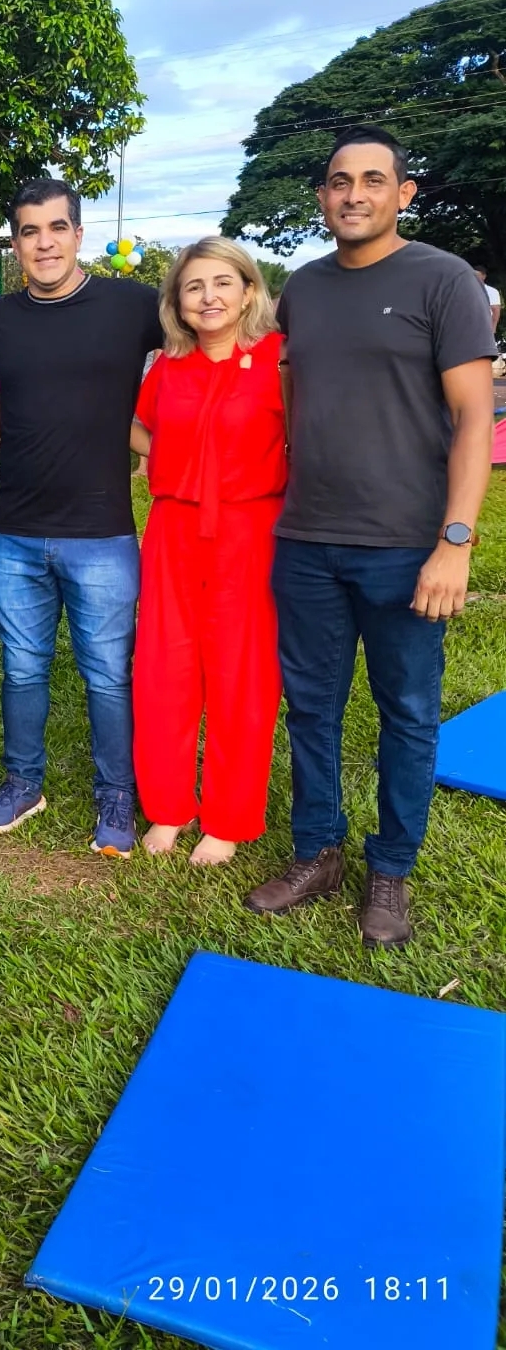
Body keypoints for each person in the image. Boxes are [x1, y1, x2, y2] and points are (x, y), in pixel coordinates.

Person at [244, 127, 495, 948]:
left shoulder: (441, 279)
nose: (353, 194)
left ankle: (389, 870)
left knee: (407, 712)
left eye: (372, 179)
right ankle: (316, 853)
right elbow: (286, 394)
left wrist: (453, 541)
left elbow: (473, 418)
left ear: (402, 193)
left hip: (404, 545)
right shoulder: (303, 289)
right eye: (339, 181)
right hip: (306, 539)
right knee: (310, 707)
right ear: (322, 196)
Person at [0, 179, 162, 852]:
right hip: (19, 529)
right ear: (16, 243)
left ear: (79, 235)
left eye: (57, 228)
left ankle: (117, 795)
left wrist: (152, 437)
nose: (44, 243)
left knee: (108, 674)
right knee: (22, 668)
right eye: (30, 231)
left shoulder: (133, 304)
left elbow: (209, 336)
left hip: (103, 530)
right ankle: (23, 782)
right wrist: (12, 439)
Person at [129, 240, 286, 865]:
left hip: (251, 529)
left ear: (248, 291)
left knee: (240, 675)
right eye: (194, 286)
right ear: (177, 302)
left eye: (223, 282)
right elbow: (138, 426)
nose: (209, 297)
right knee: (163, 669)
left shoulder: (279, 359)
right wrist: (176, 457)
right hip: (173, 529)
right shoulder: (169, 368)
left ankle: (228, 817)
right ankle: (169, 807)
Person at [473, 266, 501, 336]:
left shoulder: (491, 291)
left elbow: (496, 311)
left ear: (484, 276)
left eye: (478, 275)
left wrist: (493, 328)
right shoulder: (466, 290)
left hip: (485, 327)